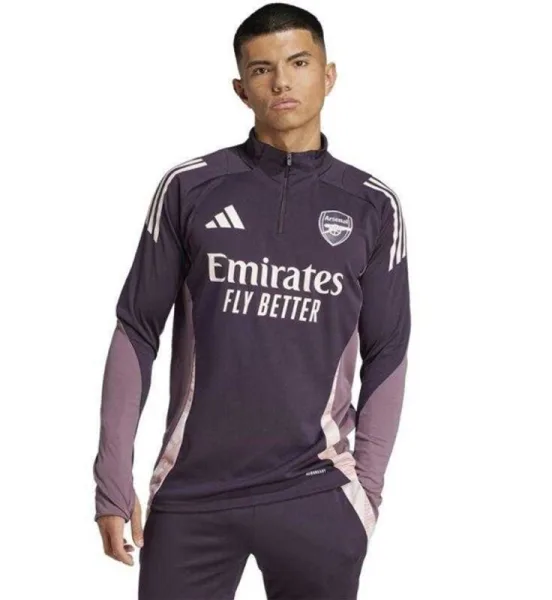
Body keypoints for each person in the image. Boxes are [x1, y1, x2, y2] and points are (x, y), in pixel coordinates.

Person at [93, 3, 411, 598]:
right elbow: (136, 327)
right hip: (193, 491)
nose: (282, 82)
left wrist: (366, 490)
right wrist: (112, 478)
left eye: (299, 63)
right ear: (241, 88)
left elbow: (389, 350)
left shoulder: (372, 206)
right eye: (262, 69)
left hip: (315, 491)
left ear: (329, 75)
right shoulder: (191, 187)